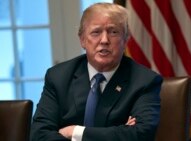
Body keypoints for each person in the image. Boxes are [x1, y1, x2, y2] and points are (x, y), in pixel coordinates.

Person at [30, 2, 163, 141]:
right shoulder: (58, 77)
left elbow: (140, 134)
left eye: (113, 32)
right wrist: (120, 132)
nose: (104, 40)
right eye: (96, 32)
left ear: (125, 40)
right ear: (82, 40)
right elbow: (39, 134)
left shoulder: (145, 81)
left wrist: (75, 132)